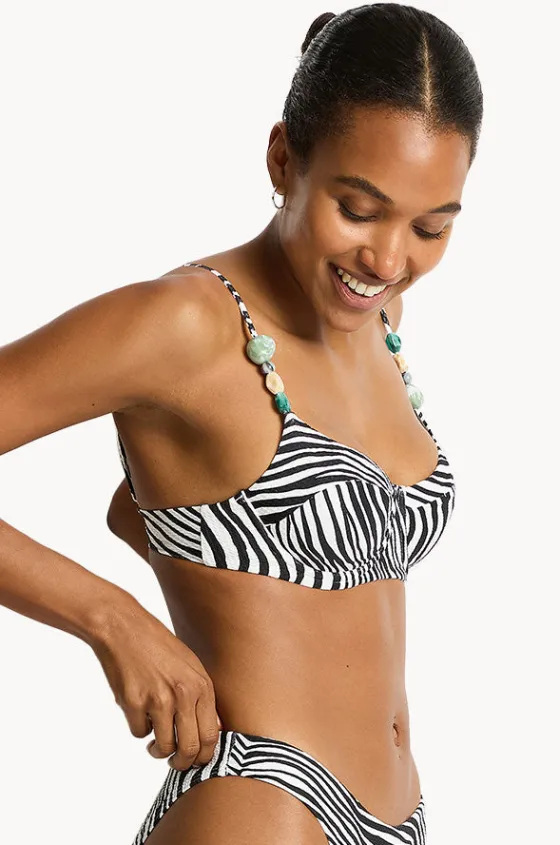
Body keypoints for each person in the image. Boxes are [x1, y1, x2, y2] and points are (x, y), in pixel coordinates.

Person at [0, 4, 483, 844]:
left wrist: (181, 530)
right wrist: (112, 619)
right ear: (283, 158)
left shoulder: (376, 314)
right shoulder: (186, 324)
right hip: (264, 803)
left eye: (430, 226)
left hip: (398, 814)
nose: (388, 259)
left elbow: (171, 502)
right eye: (358, 209)